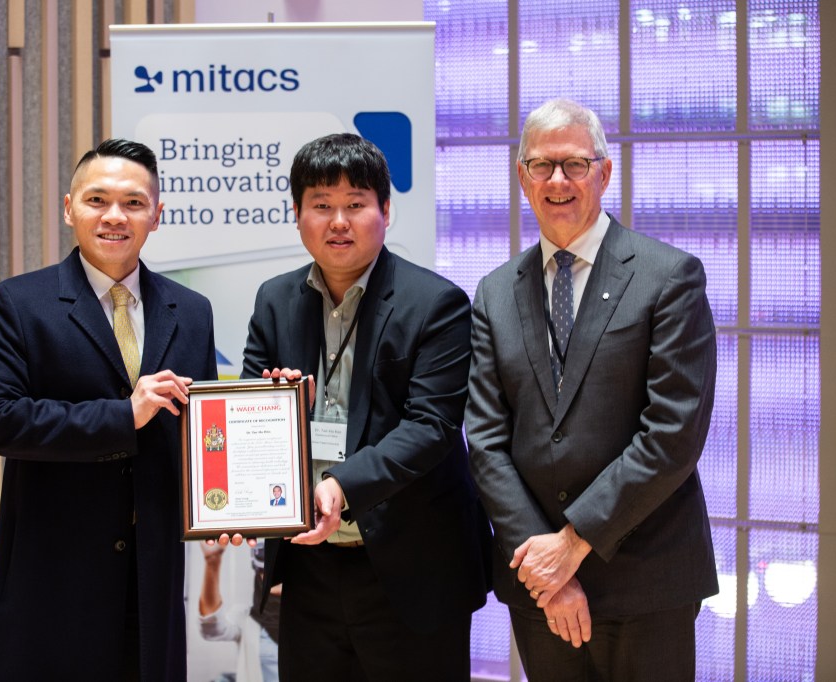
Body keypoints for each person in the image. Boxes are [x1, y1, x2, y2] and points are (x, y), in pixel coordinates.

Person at [465, 98, 718, 680]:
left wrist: (572, 546)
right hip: (539, 591)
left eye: (575, 164)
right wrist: (544, 567)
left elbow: (672, 435)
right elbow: (486, 439)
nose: (558, 180)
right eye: (541, 165)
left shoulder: (668, 276)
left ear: (604, 172)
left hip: (647, 581)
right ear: (522, 177)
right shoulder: (496, 292)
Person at [240, 132, 490, 681]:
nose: (338, 221)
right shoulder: (274, 300)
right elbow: (246, 421)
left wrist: (341, 486)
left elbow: (432, 427)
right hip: (310, 569)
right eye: (321, 206)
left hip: (411, 568)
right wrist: (279, 415)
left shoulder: (437, 303)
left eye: (356, 205)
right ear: (297, 214)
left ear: (386, 211)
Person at [0, 138, 217, 681]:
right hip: (55, 574)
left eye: (133, 202)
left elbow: (200, 437)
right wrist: (122, 416)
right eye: (97, 199)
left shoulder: (192, 310)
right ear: (68, 208)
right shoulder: (20, 302)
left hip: (151, 580)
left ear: (158, 215)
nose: (114, 216)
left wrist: (227, 508)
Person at [198, 542, 281, 682]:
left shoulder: (310, 618)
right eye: (268, 569)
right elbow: (211, 628)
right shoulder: (246, 619)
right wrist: (212, 562)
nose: (277, 575)